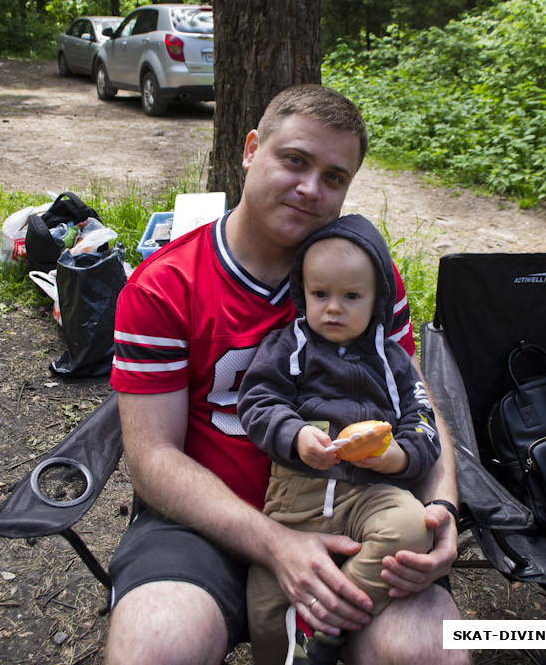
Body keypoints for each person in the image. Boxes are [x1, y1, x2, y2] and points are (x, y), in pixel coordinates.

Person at [106, 84, 467, 665]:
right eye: (294, 160)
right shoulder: (165, 287)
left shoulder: (363, 278)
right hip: (204, 520)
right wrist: (277, 544)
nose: (310, 189)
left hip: (361, 505)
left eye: (334, 177)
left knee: (433, 649)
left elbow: (417, 399)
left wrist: (444, 507)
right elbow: (151, 459)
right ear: (251, 149)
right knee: (157, 643)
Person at [237, 213, 441, 664]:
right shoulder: (290, 345)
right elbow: (256, 402)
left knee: (411, 528)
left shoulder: (393, 359)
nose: (333, 308)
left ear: (377, 300)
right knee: (266, 597)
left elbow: (423, 419)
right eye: (320, 294)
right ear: (302, 294)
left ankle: (331, 620)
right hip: (297, 494)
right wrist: (295, 434)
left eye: (351, 296)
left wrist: (400, 457)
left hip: (373, 492)